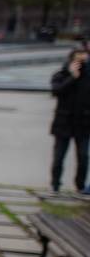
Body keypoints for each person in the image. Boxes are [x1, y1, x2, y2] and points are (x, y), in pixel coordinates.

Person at [49, 48, 90, 193]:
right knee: (59, 157)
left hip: (83, 123)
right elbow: (56, 91)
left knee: (83, 157)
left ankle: (80, 186)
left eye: (83, 60)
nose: (80, 63)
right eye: (77, 60)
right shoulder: (60, 75)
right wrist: (72, 77)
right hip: (63, 122)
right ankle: (55, 184)